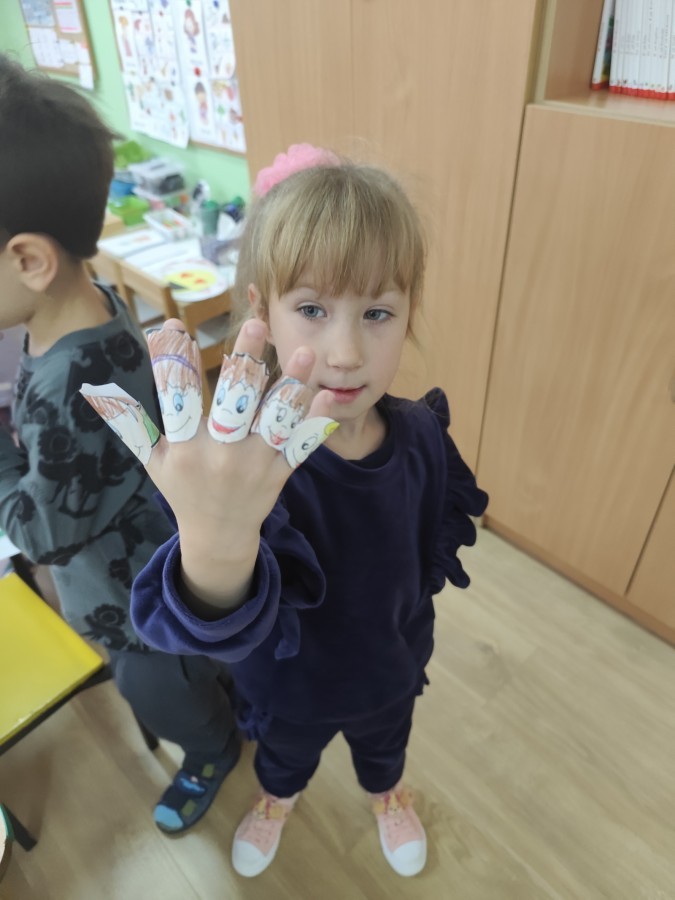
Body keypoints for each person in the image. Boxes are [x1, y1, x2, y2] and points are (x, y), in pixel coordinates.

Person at [99, 143, 488, 878]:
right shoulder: (240, 476)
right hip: (289, 688)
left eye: (377, 312)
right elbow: (210, 621)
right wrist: (218, 542)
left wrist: (403, 634)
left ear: (409, 313)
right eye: (312, 309)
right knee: (283, 758)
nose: (345, 351)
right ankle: (277, 798)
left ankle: (386, 792)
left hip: (390, 670)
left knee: (384, 748)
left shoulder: (422, 437)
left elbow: (427, 555)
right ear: (263, 313)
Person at [0, 54, 240, 834]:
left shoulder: (64, 389)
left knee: (158, 691)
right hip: (146, 542)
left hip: (132, 600)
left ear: (30, 259)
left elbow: (41, 532)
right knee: (187, 667)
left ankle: (211, 750)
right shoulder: (91, 300)